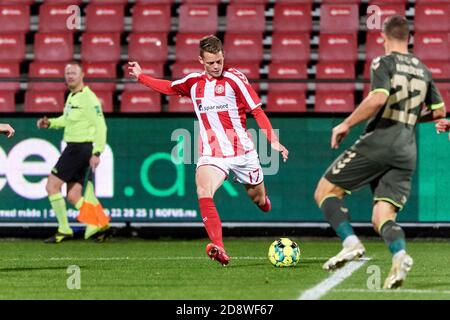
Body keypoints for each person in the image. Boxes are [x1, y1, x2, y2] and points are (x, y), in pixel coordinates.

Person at [128, 35, 288, 266]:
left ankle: (264, 201)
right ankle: (219, 247)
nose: (216, 67)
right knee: (203, 190)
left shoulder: (236, 79)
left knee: (259, 201)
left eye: (219, 61)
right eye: (211, 63)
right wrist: (141, 77)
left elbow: (257, 111)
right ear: (201, 60)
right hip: (212, 153)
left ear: (223, 57)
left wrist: (273, 141)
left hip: (243, 154)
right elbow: (169, 87)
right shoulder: (194, 83)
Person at [313, 16, 446, 289]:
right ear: (408, 38)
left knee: (325, 191)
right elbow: (439, 113)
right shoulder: (423, 69)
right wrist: (412, 120)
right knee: (382, 217)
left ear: (384, 38)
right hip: (407, 150)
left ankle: (350, 243)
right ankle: (399, 256)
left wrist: (346, 124)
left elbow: (379, 97)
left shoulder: (383, 62)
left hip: (381, 141)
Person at [37, 62, 110, 243]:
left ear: (82, 75)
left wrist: (98, 152)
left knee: (51, 186)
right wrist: (51, 123)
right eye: (67, 73)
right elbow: (67, 120)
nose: (70, 76)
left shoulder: (89, 98)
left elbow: (101, 126)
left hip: (79, 149)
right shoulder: (72, 96)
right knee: (73, 196)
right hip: (76, 148)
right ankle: (100, 224)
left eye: (73, 73)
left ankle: (64, 229)